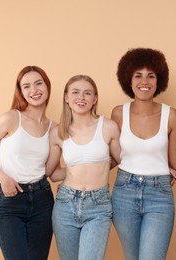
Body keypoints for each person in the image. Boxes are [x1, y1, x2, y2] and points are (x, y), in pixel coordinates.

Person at [0, 66, 55, 260]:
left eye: (38, 83)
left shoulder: (55, 128)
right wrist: (2, 177)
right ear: (21, 92)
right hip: (11, 200)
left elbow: (50, 170)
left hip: (43, 200)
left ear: (47, 86)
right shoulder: (11, 118)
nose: (34, 90)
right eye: (26, 86)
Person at [110, 47, 176, 260]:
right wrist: (74, 178)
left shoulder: (171, 116)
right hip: (124, 192)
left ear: (159, 80)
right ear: (129, 80)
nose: (145, 81)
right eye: (138, 75)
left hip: (159, 194)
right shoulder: (118, 113)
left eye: (151, 76)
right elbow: (112, 157)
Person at [45, 75, 121, 260]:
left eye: (87, 93)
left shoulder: (108, 127)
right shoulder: (57, 133)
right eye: (75, 92)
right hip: (66, 203)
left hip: (99, 205)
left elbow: (123, 160)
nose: (81, 97)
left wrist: (164, 167)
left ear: (95, 99)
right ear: (66, 97)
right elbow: (51, 174)